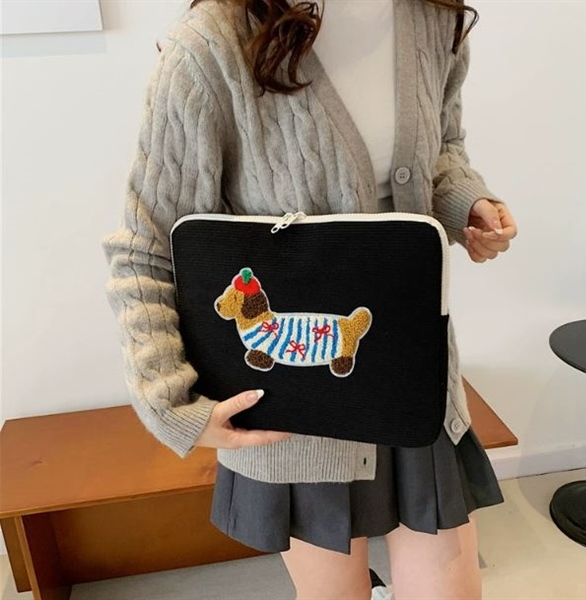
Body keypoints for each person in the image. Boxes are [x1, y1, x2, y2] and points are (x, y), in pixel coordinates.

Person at [103, 0, 517, 598]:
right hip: (296, 409)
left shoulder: (434, 17)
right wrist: (169, 401)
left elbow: (442, 148)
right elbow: (146, 244)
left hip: (410, 376)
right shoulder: (212, 44)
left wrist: (466, 203)